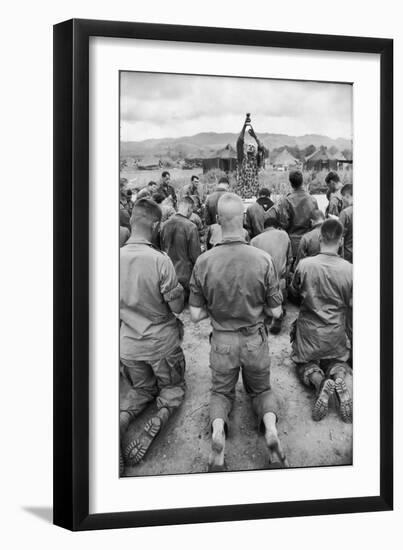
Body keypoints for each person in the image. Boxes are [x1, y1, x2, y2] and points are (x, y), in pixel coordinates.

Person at [189, 192, 288, 471]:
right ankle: (271, 432)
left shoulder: (204, 262)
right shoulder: (262, 259)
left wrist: (218, 310)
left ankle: (218, 434)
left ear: (218, 221)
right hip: (254, 339)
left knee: (221, 393)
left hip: (222, 341)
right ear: (243, 219)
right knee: (261, 389)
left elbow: (195, 315)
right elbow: (277, 312)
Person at [119, 198, 186, 466]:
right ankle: (160, 416)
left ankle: (121, 420)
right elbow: (177, 307)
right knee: (173, 388)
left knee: (142, 390)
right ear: (156, 224)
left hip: (128, 348)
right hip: (161, 345)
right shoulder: (160, 261)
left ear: (132, 221)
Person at [291, 219, 353, 423]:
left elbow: (295, 291)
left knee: (303, 363)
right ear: (341, 240)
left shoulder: (305, 265)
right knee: (337, 362)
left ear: (320, 238)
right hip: (335, 334)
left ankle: (319, 382)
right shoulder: (350, 269)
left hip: (309, 333)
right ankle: (338, 379)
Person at [251, 218, 292, 334]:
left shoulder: (254, 241)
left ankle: (265, 314)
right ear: (277, 227)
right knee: (281, 289)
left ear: (264, 228)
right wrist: (286, 278)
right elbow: (289, 260)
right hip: (280, 282)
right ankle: (278, 314)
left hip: (262, 283)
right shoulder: (284, 235)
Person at [267, 170, 318, 262]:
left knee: (293, 272)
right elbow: (317, 222)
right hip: (310, 242)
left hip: (293, 244)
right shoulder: (313, 200)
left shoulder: (286, 201)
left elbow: (284, 223)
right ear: (302, 182)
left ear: (290, 183)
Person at [161, 196, 201, 301]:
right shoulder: (191, 227)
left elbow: (161, 250)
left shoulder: (164, 225)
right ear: (189, 209)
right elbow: (195, 256)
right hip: (185, 276)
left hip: (168, 274)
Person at [235, 115, 268, 198]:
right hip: (241, 194)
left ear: (254, 151)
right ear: (246, 150)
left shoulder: (256, 160)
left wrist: (255, 137)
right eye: (249, 146)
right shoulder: (242, 159)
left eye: (252, 147)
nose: (250, 147)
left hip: (254, 194)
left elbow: (262, 149)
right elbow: (239, 143)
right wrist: (244, 126)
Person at [339, 184, 353, 263]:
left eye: (342, 198)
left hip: (348, 255)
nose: (342, 200)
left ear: (347, 196)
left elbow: (339, 237)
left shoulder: (345, 213)